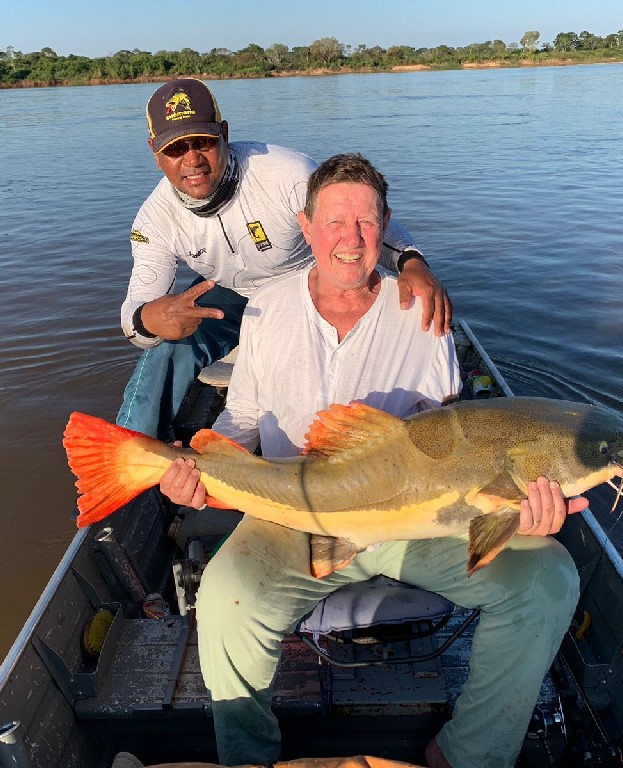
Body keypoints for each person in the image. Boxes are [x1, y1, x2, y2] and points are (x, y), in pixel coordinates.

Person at [159, 153, 586, 768]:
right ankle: (247, 757)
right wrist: (200, 466)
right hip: (295, 515)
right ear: (305, 227)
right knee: (225, 595)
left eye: (365, 222)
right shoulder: (266, 309)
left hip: (417, 518)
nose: (350, 238)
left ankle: (469, 755)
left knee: (549, 579)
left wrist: (520, 510)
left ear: (386, 228)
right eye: (334, 221)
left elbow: (456, 437)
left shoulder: (426, 314)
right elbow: (243, 419)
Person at [117, 78, 451, 439]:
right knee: (163, 350)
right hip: (226, 296)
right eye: (176, 149)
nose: (193, 160)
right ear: (155, 152)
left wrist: (413, 263)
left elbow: (358, 219)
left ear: (224, 135)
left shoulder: (286, 173)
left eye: (204, 142)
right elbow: (134, 313)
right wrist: (151, 319)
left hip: (306, 284)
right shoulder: (153, 221)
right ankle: (131, 462)